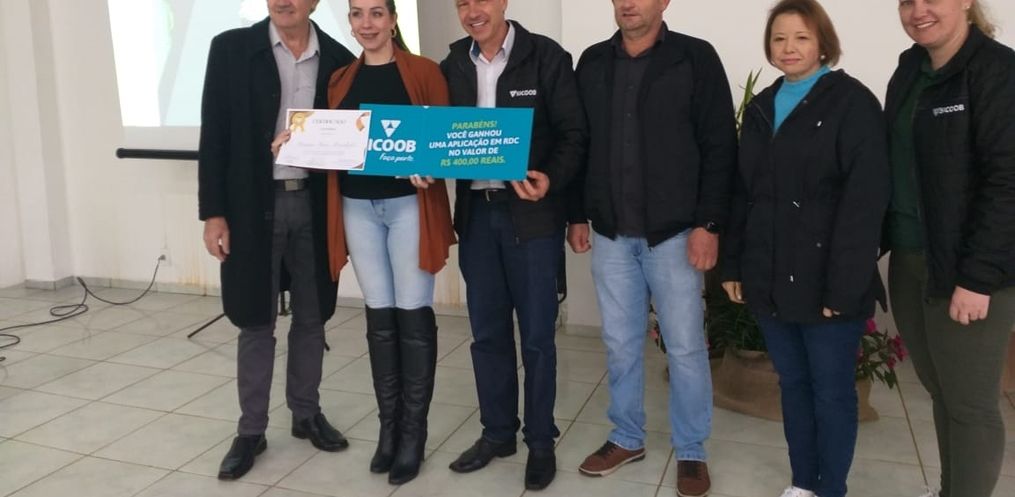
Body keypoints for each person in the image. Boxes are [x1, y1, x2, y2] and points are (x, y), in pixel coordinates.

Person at [719, 1, 891, 496]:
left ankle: (830, 487)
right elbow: (742, 194)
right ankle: (802, 483)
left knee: (831, 392)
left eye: (801, 37)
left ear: (822, 43)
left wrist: (844, 286)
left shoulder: (852, 103)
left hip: (829, 282)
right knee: (792, 384)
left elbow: (866, 203)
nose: (788, 48)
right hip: (770, 275)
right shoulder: (762, 105)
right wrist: (733, 265)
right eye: (779, 38)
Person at [567, 1, 736, 496]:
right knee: (620, 344)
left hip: (676, 235)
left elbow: (720, 145)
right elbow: (579, 142)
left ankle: (691, 450)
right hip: (611, 234)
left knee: (684, 347)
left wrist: (709, 224)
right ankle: (627, 437)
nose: (628, 3)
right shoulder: (593, 61)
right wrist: (577, 213)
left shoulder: (695, 58)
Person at [198, 0, 355, 481]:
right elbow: (214, 134)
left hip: (314, 203)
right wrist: (214, 213)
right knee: (254, 319)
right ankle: (251, 430)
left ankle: (306, 412)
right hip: (251, 207)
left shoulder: (338, 58)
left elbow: (350, 135)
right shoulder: (230, 49)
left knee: (313, 315)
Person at [440, 0, 587, 490]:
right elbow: (436, 135)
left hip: (532, 217)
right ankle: (497, 433)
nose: (472, 11)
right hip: (477, 216)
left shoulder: (546, 57)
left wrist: (551, 179)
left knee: (538, 339)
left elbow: (574, 135)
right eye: (462, 3)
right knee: (487, 334)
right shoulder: (453, 62)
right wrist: (421, 160)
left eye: (481, 0)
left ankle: (540, 441)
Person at [322, 0, 456, 486]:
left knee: (412, 312)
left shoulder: (424, 72)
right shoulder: (340, 80)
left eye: (377, 13)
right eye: (357, 14)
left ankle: (413, 435)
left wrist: (431, 167)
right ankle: (389, 429)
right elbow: (330, 140)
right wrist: (292, 141)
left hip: (408, 208)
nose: (367, 24)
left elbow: (445, 142)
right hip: (357, 208)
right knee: (379, 316)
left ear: (394, 20)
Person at [885, 1, 1015, 496]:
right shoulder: (909, 69)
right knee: (942, 391)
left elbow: (1008, 183)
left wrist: (978, 278)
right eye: (907, 1)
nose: (918, 11)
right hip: (911, 261)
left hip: (970, 273)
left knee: (971, 407)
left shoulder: (996, 71)